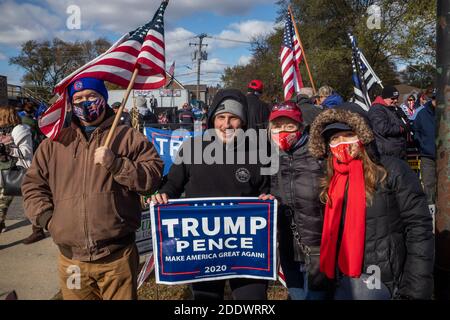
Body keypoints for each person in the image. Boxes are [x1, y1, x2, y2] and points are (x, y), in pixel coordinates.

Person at [22, 77, 164, 300]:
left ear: (103, 99)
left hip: (117, 258)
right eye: (78, 98)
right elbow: (33, 184)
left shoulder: (128, 137)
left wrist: (117, 164)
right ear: (70, 103)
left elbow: (152, 178)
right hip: (72, 260)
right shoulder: (55, 142)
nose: (85, 102)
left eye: (91, 96)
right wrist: (48, 219)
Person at [151, 89, 270, 300]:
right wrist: (163, 195)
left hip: (245, 248)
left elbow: (266, 190)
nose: (226, 125)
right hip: (203, 248)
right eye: (221, 118)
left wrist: (268, 200)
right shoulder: (192, 148)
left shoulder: (258, 152)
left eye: (233, 118)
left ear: (242, 122)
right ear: (212, 119)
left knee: (252, 299)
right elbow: (173, 185)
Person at [308, 107, 434, 300]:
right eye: (334, 139)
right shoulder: (328, 180)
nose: (341, 143)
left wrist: (414, 290)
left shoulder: (392, 170)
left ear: (363, 136)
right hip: (343, 282)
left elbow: (419, 229)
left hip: (387, 282)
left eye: (348, 135)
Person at [259, 101, 328, 300]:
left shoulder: (320, 153)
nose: (283, 131)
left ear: (300, 126)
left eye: (289, 126)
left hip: (317, 245)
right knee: (296, 295)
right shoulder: (266, 157)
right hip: (286, 245)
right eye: (277, 126)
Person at [0, 107, 34, 236]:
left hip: (16, 171)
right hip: (3, 169)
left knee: (3, 203)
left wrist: (7, 149)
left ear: (5, 116)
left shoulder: (20, 130)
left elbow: (26, 152)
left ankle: (38, 228)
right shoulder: (4, 130)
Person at [367, 85, 408, 159]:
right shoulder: (377, 110)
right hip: (387, 153)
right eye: (392, 98)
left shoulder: (395, 109)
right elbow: (383, 129)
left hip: (399, 151)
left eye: (397, 98)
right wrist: (400, 129)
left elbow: (405, 122)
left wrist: (407, 123)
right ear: (384, 98)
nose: (395, 101)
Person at [413, 90, 437, 206]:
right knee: (428, 184)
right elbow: (416, 131)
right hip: (428, 156)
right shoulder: (422, 114)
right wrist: (423, 145)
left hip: (445, 156)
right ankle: (431, 214)